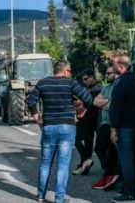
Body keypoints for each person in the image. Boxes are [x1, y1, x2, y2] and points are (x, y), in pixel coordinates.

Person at [27, 61, 92, 203]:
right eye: (69, 71)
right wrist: (84, 109)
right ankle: (59, 199)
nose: (70, 74)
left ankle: (40, 196)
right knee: (62, 165)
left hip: (49, 127)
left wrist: (38, 119)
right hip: (67, 127)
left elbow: (31, 102)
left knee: (45, 163)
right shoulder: (71, 83)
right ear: (65, 70)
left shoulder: (43, 83)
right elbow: (88, 98)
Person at [109, 56, 135, 203]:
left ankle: (130, 193)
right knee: (129, 159)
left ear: (121, 66)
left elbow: (116, 108)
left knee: (126, 160)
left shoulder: (120, 83)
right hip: (134, 124)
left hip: (123, 126)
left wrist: (113, 129)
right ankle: (125, 189)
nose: (112, 67)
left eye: (114, 65)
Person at [91, 66, 121, 191]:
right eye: (106, 73)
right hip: (104, 123)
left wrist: (104, 102)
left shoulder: (118, 87)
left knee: (103, 149)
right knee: (101, 149)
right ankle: (110, 173)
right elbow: (95, 102)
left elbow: (115, 106)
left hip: (112, 123)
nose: (106, 75)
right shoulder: (106, 87)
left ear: (116, 74)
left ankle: (110, 173)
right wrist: (107, 101)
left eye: (109, 73)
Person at [72, 69, 102, 175]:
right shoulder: (84, 89)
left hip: (93, 119)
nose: (84, 81)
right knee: (77, 140)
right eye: (82, 79)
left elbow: (93, 104)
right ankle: (85, 161)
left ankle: (84, 163)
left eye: (86, 79)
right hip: (83, 119)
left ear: (92, 77)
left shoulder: (99, 88)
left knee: (91, 143)